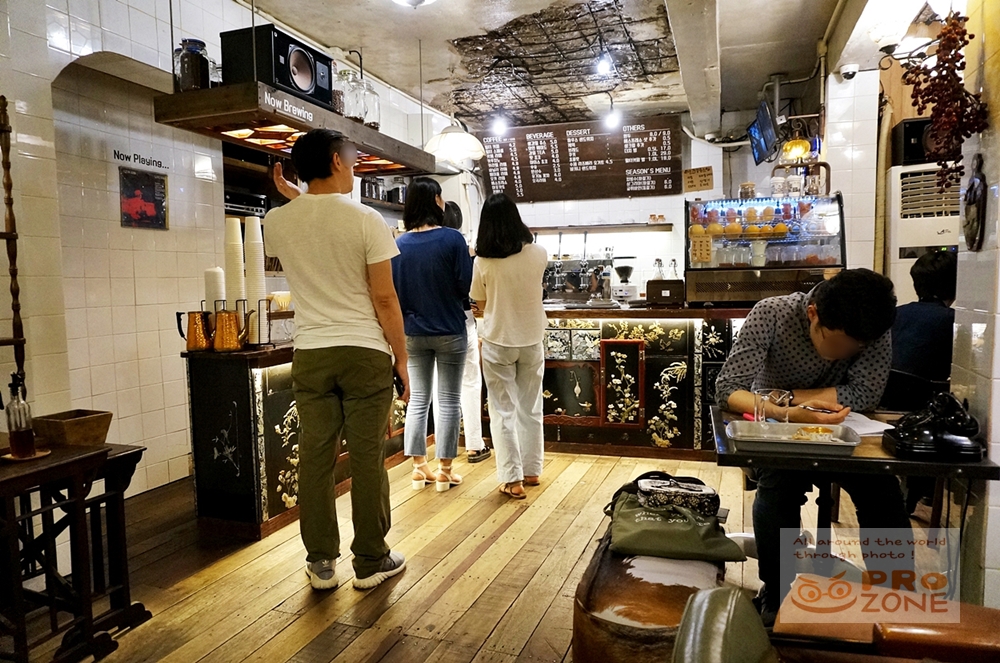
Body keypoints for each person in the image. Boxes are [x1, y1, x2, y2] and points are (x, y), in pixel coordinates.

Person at [715, 269, 911, 622]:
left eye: (854, 349)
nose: (841, 354)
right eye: (836, 344)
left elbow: (866, 393)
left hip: (847, 433)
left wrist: (789, 397)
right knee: (778, 488)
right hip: (778, 430)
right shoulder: (772, 313)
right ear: (813, 314)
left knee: (883, 491)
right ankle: (777, 593)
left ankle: (897, 600)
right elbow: (728, 389)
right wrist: (787, 413)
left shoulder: (871, 326)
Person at [266, 130, 408, 591]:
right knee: (367, 459)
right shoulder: (367, 219)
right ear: (335, 161)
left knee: (315, 458)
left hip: (311, 354)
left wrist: (297, 196)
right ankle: (370, 560)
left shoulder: (276, 221)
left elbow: (310, 220)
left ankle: (322, 562)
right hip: (364, 352)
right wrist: (402, 359)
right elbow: (384, 298)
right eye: (352, 158)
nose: (355, 167)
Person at [392, 179, 473, 491]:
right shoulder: (453, 239)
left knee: (418, 399)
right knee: (449, 400)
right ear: (437, 201)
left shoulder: (398, 245)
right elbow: (464, 286)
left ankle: (418, 468)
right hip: (450, 329)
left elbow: (394, 293)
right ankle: (445, 470)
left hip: (412, 333)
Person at [471, 194, 548, 499]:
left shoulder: (482, 262)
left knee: (503, 411)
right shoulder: (539, 253)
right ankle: (532, 470)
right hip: (531, 338)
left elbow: (480, 304)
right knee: (531, 406)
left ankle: (512, 479)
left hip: (498, 340)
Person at [442, 201, 491, 463]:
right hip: (460, 320)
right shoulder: (460, 245)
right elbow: (469, 287)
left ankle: (444, 449)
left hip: (428, 324)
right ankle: (474, 444)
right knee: (470, 381)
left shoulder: (415, 244)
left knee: (440, 387)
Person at [890, 250, 957, 383]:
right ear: (956, 283)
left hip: (887, 391)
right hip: (926, 393)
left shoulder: (894, 313)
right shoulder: (952, 320)